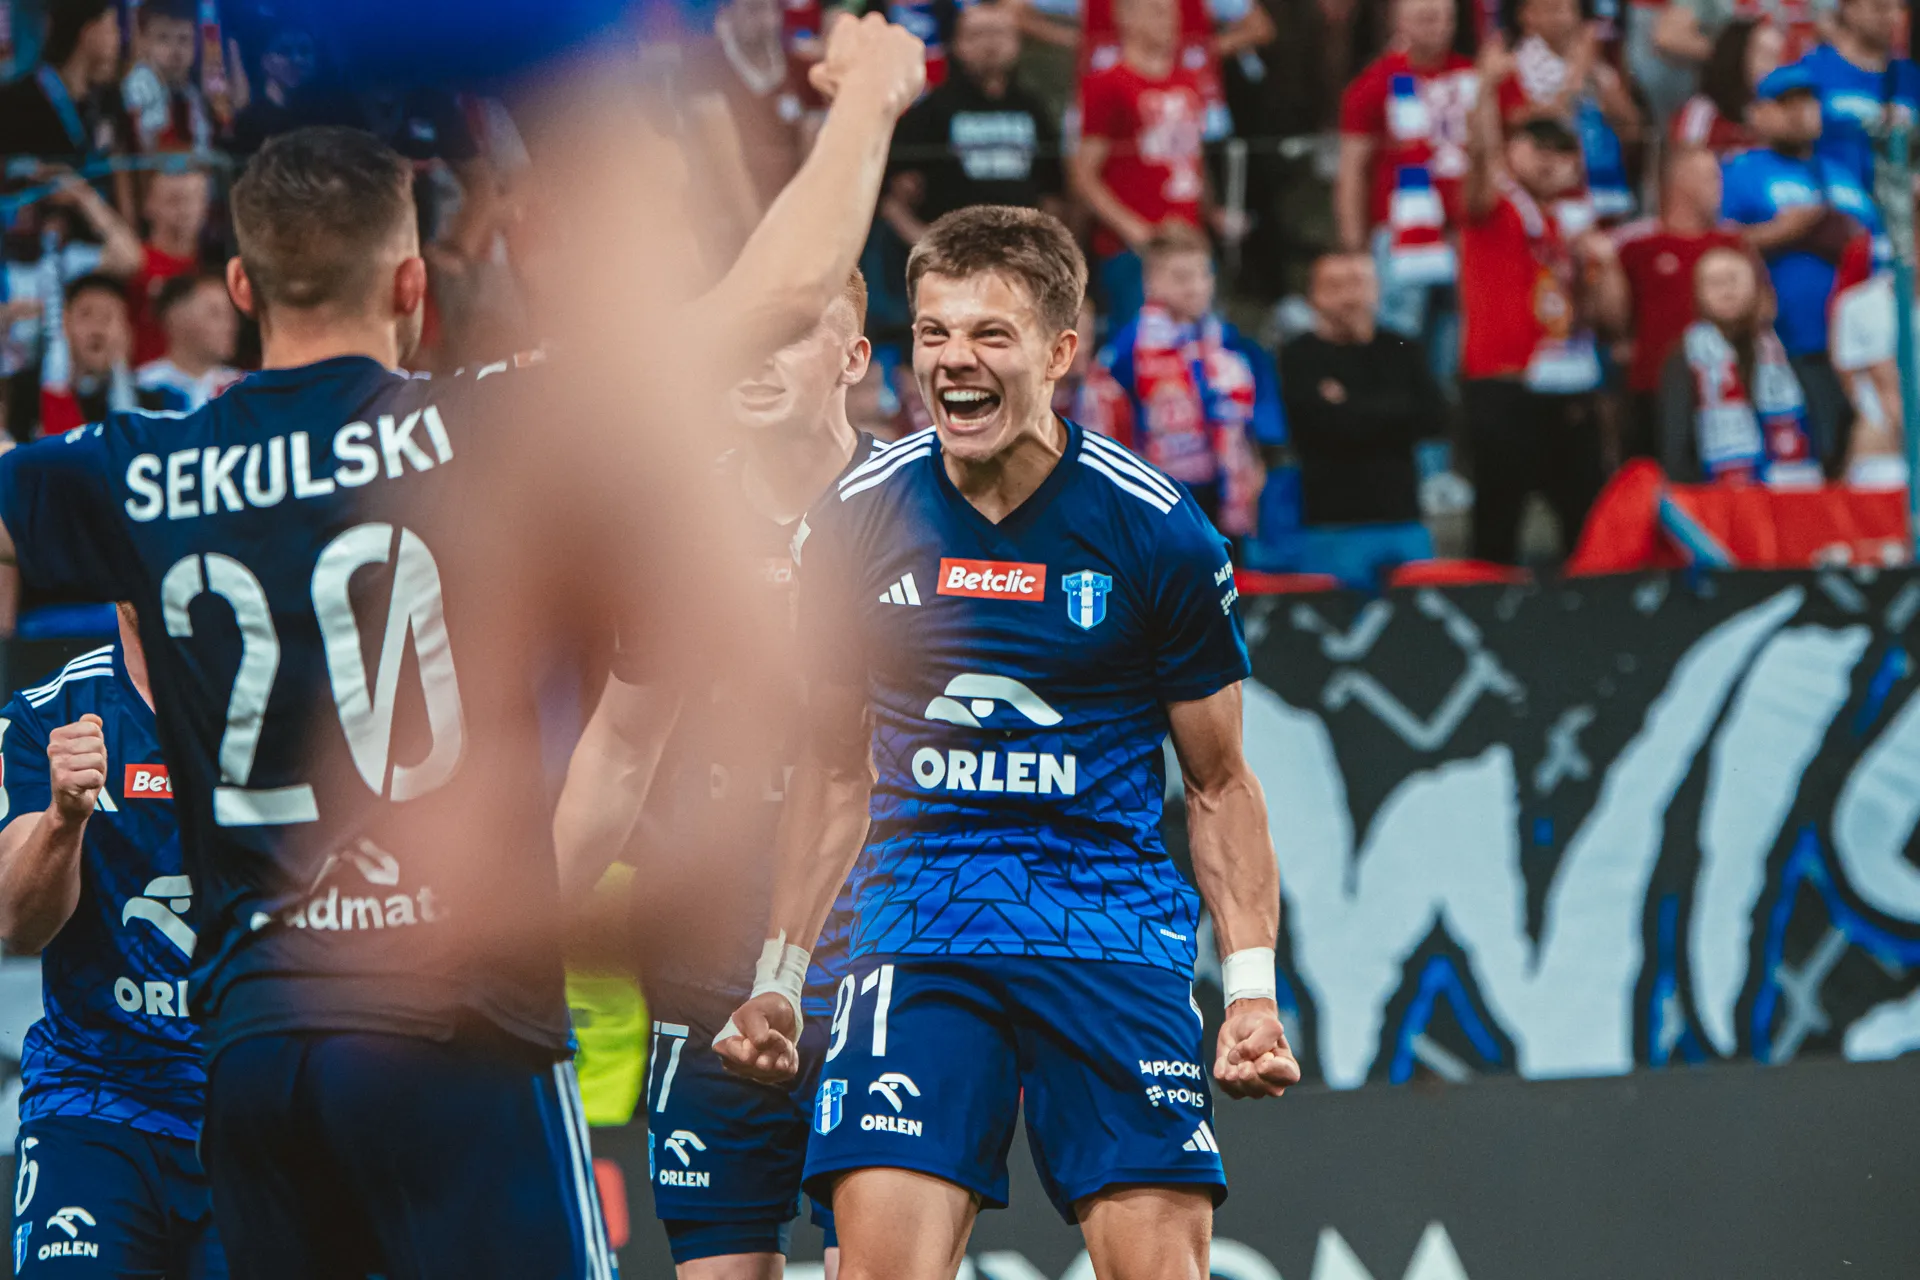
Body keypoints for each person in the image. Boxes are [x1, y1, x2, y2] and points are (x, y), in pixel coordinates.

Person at [0, 12, 928, 1271]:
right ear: (412, 285)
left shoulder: (140, 468)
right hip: (455, 1014)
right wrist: (870, 93)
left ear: (242, 288)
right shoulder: (481, 433)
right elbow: (776, 298)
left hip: (258, 1047)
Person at [715, 204, 1298, 1280]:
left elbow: (1219, 785)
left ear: (1060, 351)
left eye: (990, 333)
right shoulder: (852, 519)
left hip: (1106, 925)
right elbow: (833, 769)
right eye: (934, 332)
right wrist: (781, 976)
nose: (953, 360)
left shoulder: (1157, 528)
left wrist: (1252, 990)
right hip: (918, 925)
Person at [554, 273, 882, 1280]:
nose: (756, 362)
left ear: (855, 359)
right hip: (705, 962)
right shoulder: (675, 529)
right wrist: (524, 932)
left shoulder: (918, 506)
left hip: (885, 956)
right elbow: (620, 747)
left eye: (790, 336)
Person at [0, 609, 226, 1279]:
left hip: (253, 1104)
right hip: (94, 1098)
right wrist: (63, 818)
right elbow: (16, 924)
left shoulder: (290, 706)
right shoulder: (46, 714)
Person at [1459, 39, 1628, 565]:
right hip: (1504, 382)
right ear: (1513, 151)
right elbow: (1478, 167)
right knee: (1498, 524)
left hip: (1566, 385)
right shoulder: (1497, 209)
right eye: (1537, 148)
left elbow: (1610, 321)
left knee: (1583, 515)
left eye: (1561, 152)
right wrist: (1485, 91)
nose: (1550, 160)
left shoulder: (1569, 227)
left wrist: (1603, 268)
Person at [1721, 62, 1874, 468]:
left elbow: (1878, 241)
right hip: (1787, 340)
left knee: (1853, 451)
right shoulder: (1742, 171)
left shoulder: (1842, 173)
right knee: (1807, 452)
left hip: (1853, 340)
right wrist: (1783, 231)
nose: (1799, 113)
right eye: (1786, 103)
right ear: (1760, 113)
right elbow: (1718, 245)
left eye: (1807, 102)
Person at [1093, 223, 1278, 539]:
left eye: (1204, 275)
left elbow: (1252, 412)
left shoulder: (1227, 342)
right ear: (1151, 282)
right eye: (1181, 277)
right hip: (1159, 493)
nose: (1195, 287)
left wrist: (1256, 463)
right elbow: (1105, 419)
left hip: (1225, 491)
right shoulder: (1129, 348)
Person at [1335, 0, 1479, 385]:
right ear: (1400, 22)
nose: (1439, 27)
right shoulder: (1374, 83)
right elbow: (1352, 169)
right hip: (1398, 235)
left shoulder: (1473, 77)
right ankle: (1397, 417)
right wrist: (1354, 246)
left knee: (1454, 340)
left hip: (1464, 231)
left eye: (1446, 18)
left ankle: (1442, 419)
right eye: (1427, 18)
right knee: (1397, 339)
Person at [1280, 252, 1443, 589]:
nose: (1348, 297)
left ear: (1377, 289)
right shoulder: (1298, 354)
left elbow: (1436, 418)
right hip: (1329, 525)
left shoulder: (1402, 346)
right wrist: (1392, 411)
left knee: (1420, 615)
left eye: (1357, 283)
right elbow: (1314, 427)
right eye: (1334, 286)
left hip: (1403, 520)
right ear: (1313, 296)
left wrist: (1348, 404)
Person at [1072, 0, 1218, 331]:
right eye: (1156, 11)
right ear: (1125, 16)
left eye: (1172, 13)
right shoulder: (1107, 83)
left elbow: (1194, 158)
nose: (1169, 21)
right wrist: (1133, 228)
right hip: (1133, 246)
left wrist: (1209, 215)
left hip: (1189, 238)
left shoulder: (1189, 81)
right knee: (1142, 336)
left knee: (1197, 337)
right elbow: (1084, 172)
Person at [881, 1, 1066, 246]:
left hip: (1020, 251)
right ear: (956, 44)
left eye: (999, 33)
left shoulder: (1034, 108)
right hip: (953, 249)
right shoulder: (930, 110)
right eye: (977, 34)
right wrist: (925, 245)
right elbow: (890, 197)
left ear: (1017, 42)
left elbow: (1053, 190)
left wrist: (1042, 245)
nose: (990, 44)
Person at [1612, 146, 1748, 459]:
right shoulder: (1636, 244)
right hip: (1652, 388)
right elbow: (1614, 320)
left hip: (1723, 390)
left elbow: (1762, 306)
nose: (1720, 185)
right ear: (1681, 181)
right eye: (1711, 177)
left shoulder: (1732, 243)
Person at [1657, 244, 1819, 485]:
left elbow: (1820, 421)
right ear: (1698, 293)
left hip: (1791, 488)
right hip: (1713, 494)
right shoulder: (1684, 355)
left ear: (1756, 286)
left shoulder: (1784, 347)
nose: (1726, 290)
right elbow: (1676, 442)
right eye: (1714, 282)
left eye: (1733, 279)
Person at [1496, 0, 1644, 229]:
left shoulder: (1596, 67)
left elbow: (1633, 127)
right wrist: (1576, 74)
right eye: (1552, 9)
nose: (1561, 18)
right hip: (1547, 195)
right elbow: (1527, 124)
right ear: (1527, 15)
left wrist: (1605, 87)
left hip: (1602, 186)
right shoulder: (1513, 66)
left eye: (1567, 9)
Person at [1795, 0, 1920, 191]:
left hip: (1896, 202)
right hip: (1833, 199)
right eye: (1880, 8)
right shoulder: (1812, 70)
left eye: (1899, 8)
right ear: (1849, 8)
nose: (1893, 18)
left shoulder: (1910, 77)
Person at [0, 0, 130, 162]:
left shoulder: (109, 99)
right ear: (89, 32)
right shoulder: (15, 104)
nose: (118, 40)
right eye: (111, 29)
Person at [129, 167, 215, 367]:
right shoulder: (135, 260)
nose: (185, 210)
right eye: (174, 199)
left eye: (194, 199)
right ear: (149, 204)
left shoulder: (215, 265)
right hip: (149, 378)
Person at [38, 274, 138, 439]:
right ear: (65, 323)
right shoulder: (26, 392)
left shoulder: (152, 403)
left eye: (107, 317)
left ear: (127, 331)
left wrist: (121, 373)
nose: (96, 330)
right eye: (86, 315)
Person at [1669, 18, 1783, 156]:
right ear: (1736, 54)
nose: (1772, 66)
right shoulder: (1701, 110)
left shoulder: (1780, 118)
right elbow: (1687, 162)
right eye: (1764, 55)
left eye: (1776, 56)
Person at [135, 272, 241, 414]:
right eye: (215, 314)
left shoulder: (242, 390)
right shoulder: (142, 386)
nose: (230, 326)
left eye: (230, 316)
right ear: (176, 317)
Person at [122, 0, 213, 154]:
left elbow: (202, 149)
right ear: (144, 42)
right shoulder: (140, 84)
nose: (175, 51)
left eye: (184, 39)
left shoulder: (190, 93)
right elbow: (151, 149)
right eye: (163, 38)